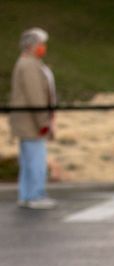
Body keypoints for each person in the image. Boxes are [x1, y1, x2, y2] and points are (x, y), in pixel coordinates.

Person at [10, 27, 57, 209]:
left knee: (28, 161)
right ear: (31, 46)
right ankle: (36, 195)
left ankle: (26, 195)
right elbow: (35, 96)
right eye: (40, 44)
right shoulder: (29, 65)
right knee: (36, 161)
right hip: (31, 123)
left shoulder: (28, 63)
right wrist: (43, 122)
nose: (43, 47)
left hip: (26, 121)